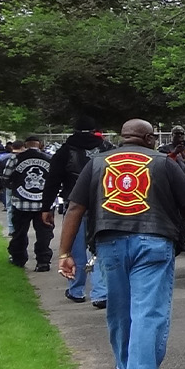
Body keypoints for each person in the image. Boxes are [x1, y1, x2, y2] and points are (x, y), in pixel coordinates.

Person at [56, 119, 185, 369]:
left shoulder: (96, 164)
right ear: (148, 138)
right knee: (148, 313)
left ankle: (128, 367)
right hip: (154, 242)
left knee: (119, 310)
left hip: (110, 244)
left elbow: (75, 208)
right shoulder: (164, 163)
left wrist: (65, 252)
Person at [43, 118, 106, 304]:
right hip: (102, 205)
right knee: (100, 249)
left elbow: (52, 180)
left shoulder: (65, 150)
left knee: (75, 251)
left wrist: (46, 207)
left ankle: (76, 289)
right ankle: (101, 292)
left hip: (75, 204)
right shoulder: (106, 148)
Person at [2, 134, 54, 271]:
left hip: (21, 202)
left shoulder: (16, 158)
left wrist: (14, 188)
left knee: (19, 233)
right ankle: (43, 262)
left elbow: (5, 177)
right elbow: (55, 179)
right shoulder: (49, 159)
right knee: (44, 234)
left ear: (25, 145)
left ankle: (18, 259)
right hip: (44, 204)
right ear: (40, 144)